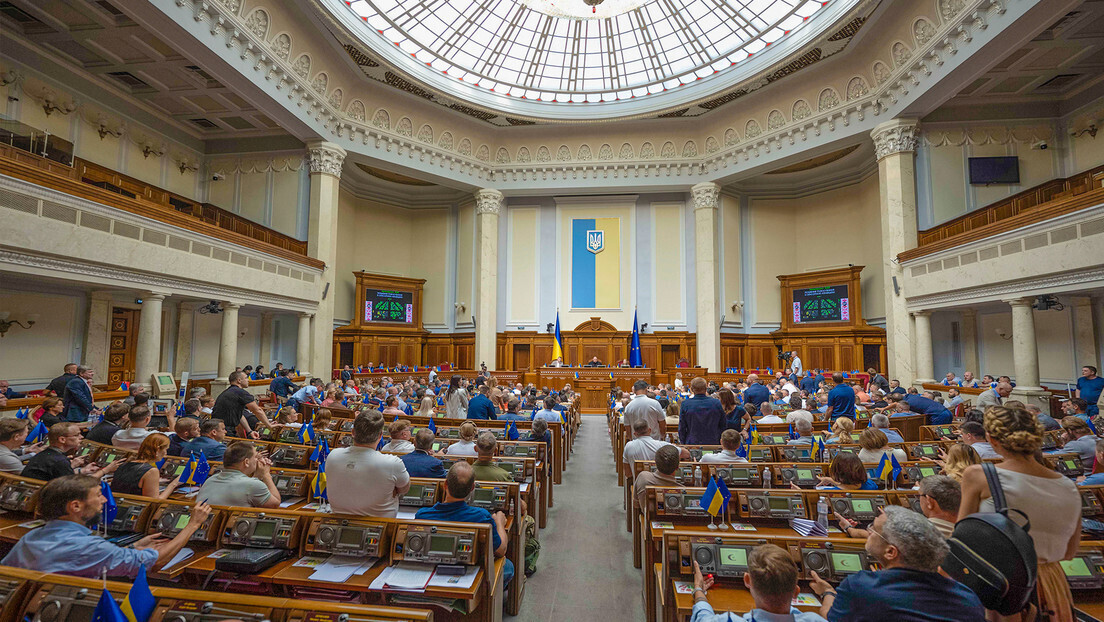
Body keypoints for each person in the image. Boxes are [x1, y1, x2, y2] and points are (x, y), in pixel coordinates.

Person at [959, 406, 1081, 621]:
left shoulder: (978, 475)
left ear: (991, 439)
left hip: (1003, 583)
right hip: (1052, 584)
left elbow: (962, 539)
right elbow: (1070, 552)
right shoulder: (1069, 486)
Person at [1, 474, 212, 577]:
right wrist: (193, 525)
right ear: (75, 506)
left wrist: (132, 547)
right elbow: (155, 562)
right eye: (98, 495)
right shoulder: (88, 547)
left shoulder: (30, 538)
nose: (104, 500)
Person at [809, 506, 985, 620]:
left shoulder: (860, 587)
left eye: (873, 529)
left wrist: (828, 592)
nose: (868, 531)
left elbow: (829, 617)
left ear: (891, 552)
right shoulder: (968, 598)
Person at [416, 462, 513, 588]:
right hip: (468, 573)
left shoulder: (422, 515)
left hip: (428, 570)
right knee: (508, 566)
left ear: (445, 484)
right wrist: (499, 522)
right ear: (472, 488)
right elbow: (501, 550)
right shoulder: (481, 516)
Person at [690, 544, 826, 622]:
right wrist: (828, 593)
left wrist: (699, 590)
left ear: (747, 580)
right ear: (796, 591)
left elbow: (702, 617)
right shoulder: (814, 620)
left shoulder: (728, 620)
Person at [326, 411, 410, 517]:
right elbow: (403, 489)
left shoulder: (333, 455)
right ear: (380, 436)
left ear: (353, 432)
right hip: (381, 524)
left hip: (337, 520)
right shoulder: (392, 462)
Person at [22, 423, 119, 482]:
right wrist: (105, 471)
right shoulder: (59, 461)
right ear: (62, 439)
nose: (81, 437)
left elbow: (60, 476)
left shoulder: (46, 454)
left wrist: (83, 471)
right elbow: (75, 487)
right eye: (77, 435)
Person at [197, 441, 281, 508]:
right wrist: (266, 475)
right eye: (256, 457)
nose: (257, 460)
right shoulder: (253, 485)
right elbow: (275, 504)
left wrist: (257, 476)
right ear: (246, 462)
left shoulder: (211, 479)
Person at [111, 433, 181, 499]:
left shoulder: (124, 464)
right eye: (165, 449)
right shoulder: (151, 471)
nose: (166, 453)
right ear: (158, 449)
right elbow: (154, 501)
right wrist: (173, 484)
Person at [213, 371, 273, 438]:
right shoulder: (240, 392)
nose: (248, 380)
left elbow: (240, 415)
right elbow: (258, 410)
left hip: (220, 428)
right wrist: (269, 425)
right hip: (223, 430)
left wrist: (250, 431)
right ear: (239, 380)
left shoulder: (229, 391)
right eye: (246, 378)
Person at [679, 377, 726, 445]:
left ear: (691, 389)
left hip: (692, 443)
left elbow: (682, 428)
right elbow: (723, 424)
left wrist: (683, 443)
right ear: (706, 388)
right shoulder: (716, 403)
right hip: (714, 442)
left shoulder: (685, 404)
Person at [633, 444, 681, 510]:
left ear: (655, 463)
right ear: (677, 467)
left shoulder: (643, 477)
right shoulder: (682, 490)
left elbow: (636, 505)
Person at [623, 419, 688, 465]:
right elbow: (686, 454)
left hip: (638, 480)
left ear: (635, 434)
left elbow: (628, 473)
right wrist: (675, 446)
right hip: (659, 480)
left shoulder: (628, 446)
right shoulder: (661, 445)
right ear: (649, 430)